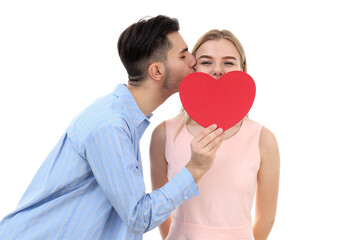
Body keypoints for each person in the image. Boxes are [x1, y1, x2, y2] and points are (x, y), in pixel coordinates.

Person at [0, 16, 224, 240]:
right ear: (156, 71)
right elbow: (139, 217)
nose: (193, 60)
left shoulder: (124, 119)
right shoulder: (110, 125)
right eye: (183, 55)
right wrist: (194, 169)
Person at [150, 29, 280, 240]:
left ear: (242, 70)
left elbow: (266, 218)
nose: (217, 70)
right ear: (192, 68)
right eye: (206, 62)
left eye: (228, 63)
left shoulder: (263, 139)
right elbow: (159, 211)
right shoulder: (163, 134)